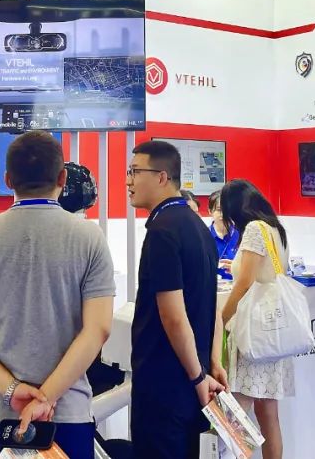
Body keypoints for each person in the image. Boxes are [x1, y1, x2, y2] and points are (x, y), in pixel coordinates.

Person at [0, 131, 115, 459]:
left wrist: (11, 391)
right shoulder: (90, 240)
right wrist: (46, 397)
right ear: (62, 178)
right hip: (65, 412)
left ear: (8, 179)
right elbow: (98, 329)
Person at [128, 140, 223, 459]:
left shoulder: (163, 231)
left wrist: (197, 377)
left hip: (166, 385)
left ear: (161, 177)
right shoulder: (197, 226)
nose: (128, 180)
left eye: (135, 171)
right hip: (192, 379)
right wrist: (211, 364)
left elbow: (173, 316)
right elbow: (212, 305)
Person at [216, 179, 294, 459]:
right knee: (268, 414)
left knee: (232, 413)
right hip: (271, 335)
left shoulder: (253, 229)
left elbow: (245, 282)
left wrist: (221, 319)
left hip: (252, 335)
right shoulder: (275, 228)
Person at [208, 188, 240, 281]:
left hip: (237, 286)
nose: (223, 214)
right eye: (219, 210)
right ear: (210, 211)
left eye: (227, 210)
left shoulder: (242, 235)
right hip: (211, 287)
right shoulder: (203, 236)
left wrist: (238, 268)